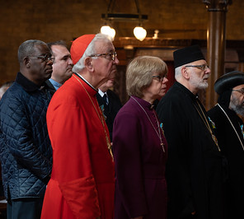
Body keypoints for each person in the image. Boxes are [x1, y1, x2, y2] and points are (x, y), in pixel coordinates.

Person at [41, 34, 118, 219]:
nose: (116, 60)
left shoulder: (87, 94)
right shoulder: (69, 99)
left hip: (97, 198)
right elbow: (73, 172)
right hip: (73, 208)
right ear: (89, 63)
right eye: (109, 54)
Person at [156, 45, 226, 219]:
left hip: (205, 191)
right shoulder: (172, 103)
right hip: (190, 202)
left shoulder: (193, 100)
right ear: (186, 72)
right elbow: (173, 160)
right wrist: (186, 204)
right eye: (202, 67)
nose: (208, 71)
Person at [0, 39, 53, 219]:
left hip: (47, 186)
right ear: (27, 62)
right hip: (26, 191)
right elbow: (21, 145)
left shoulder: (47, 91)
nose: (50, 62)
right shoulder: (13, 98)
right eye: (44, 57)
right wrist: (51, 172)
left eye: (51, 57)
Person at [112, 55, 169, 219]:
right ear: (142, 79)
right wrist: (137, 212)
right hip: (138, 204)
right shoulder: (129, 115)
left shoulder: (150, 110)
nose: (166, 80)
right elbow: (127, 171)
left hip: (155, 196)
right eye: (160, 77)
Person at [207, 71, 244, 219]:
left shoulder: (237, 119)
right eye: (242, 91)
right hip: (226, 190)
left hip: (242, 188)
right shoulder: (214, 117)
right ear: (228, 93)